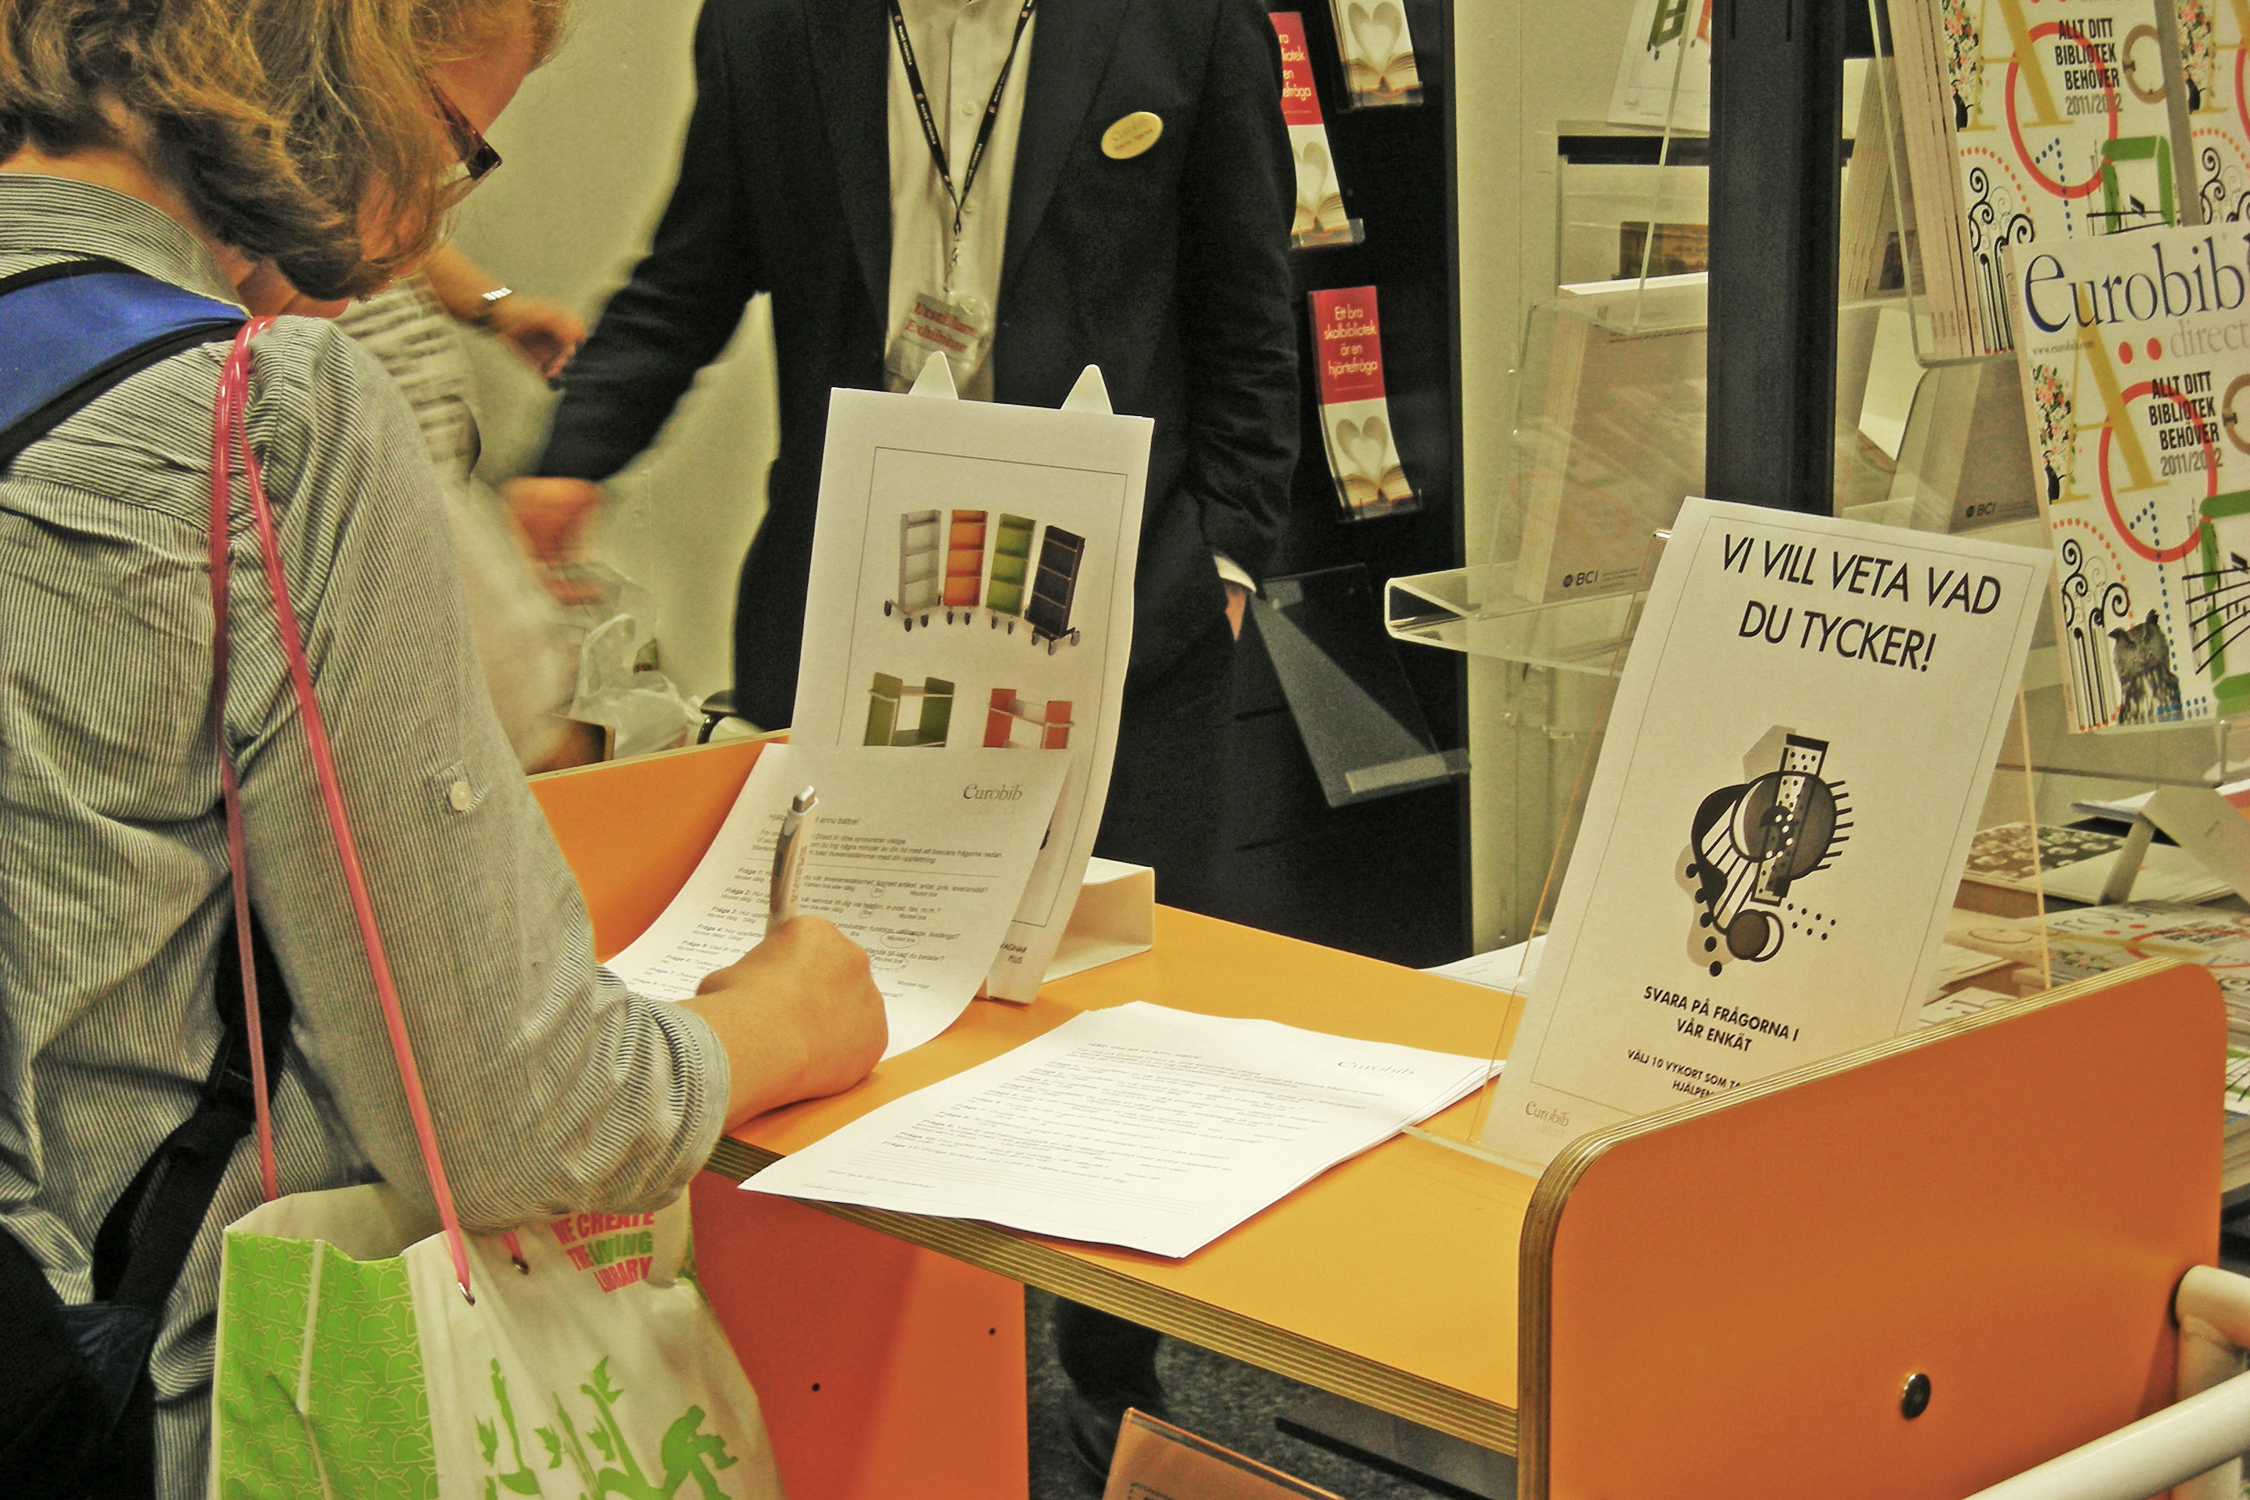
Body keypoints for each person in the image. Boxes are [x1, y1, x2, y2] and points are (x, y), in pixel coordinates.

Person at [0, 2, 886, 1495]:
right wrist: (784, 1022)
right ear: (332, 65)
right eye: (452, 142)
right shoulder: (259, 416)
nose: (422, 212)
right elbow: (516, 1116)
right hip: (140, 1392)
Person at [501, 0, 1299, 1471]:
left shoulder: (1186, 23)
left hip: (1122, 604)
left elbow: (1251, 308)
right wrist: (571, 463)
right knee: (849, 994)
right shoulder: (766, 29)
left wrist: (1229, 561)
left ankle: (1113, 1378)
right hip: (860, 596)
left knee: (1112, 1015)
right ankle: (881, 1401)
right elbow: (687, 280)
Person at [333, 249, 588, 767]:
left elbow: (394, 228)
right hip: (369, 507)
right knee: (530, 745)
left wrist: (497, 305)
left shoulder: (369, 233)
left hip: (430, 486)